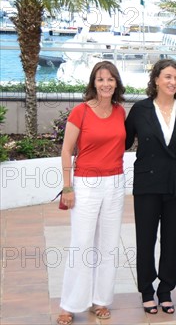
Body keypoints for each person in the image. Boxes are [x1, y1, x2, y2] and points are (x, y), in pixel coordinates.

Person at [125, 59, 176, 315]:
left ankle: (166, 290)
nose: (172, 82)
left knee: (171, 240)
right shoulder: (140, 109)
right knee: (145, 239)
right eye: (167, 76)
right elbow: (121, 141)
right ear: (156, 79)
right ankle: (147, 290)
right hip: (146, 184)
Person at [56, 61, 127, 325]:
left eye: (110, 79)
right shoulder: (80, 112)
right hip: (86, 184)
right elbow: (66, 151)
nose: (106, 84)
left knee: (108, 246)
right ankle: (70, 304)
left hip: (115, 183)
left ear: (116, 83)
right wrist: (67, 186)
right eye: (100, 80)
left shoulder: (121, 112)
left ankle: (100, 300)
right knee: (82, 244)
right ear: (93, 83)